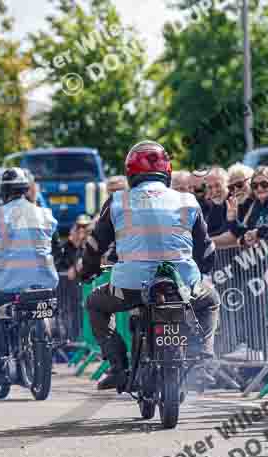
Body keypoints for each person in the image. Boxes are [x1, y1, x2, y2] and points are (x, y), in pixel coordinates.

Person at [79, 141, 220, 391]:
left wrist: (88, 271)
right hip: (182, 284)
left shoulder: (117, 201)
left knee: (94, 303)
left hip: (131, 286)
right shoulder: (188, 200)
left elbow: (93, 245)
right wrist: (201, 272)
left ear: (130, 174)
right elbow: (206, 249)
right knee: (210, 301)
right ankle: (204, 363)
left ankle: (118, 367)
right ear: (167, 172)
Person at [0, 168, 62, 382]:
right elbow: (57, 251)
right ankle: (48, 351)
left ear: (4, 192)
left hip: (7, 286)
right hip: (44, 284)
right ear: (26, 190)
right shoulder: (45, 214)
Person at [229, 166, 268, 246]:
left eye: (264, 184)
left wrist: (258, 233)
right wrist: (232, 220)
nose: (259, 188)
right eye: (255, 186)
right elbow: (244, 232)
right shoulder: (256, 205)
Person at [218, 164, 255, 247]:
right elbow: (234, 233)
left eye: (239, 184)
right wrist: (231, 220)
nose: (236, 190)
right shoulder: (236, 205)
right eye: (231, 188)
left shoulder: (260, 200)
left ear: (251, 180)